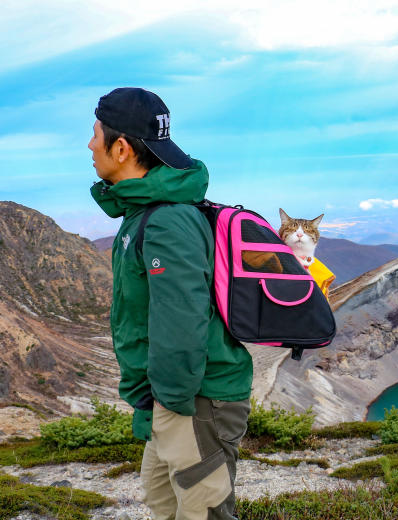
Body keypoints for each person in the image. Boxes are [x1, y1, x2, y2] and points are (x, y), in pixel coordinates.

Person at [88, 87, 253, 520]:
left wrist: (171, 402)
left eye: (95, 135)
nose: (90, 146)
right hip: (174, 399)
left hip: (195, 398)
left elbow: (181, 320)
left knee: (205, 513)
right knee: (165, 505)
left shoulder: (166, 220)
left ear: (120, 147)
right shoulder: (144, 214)